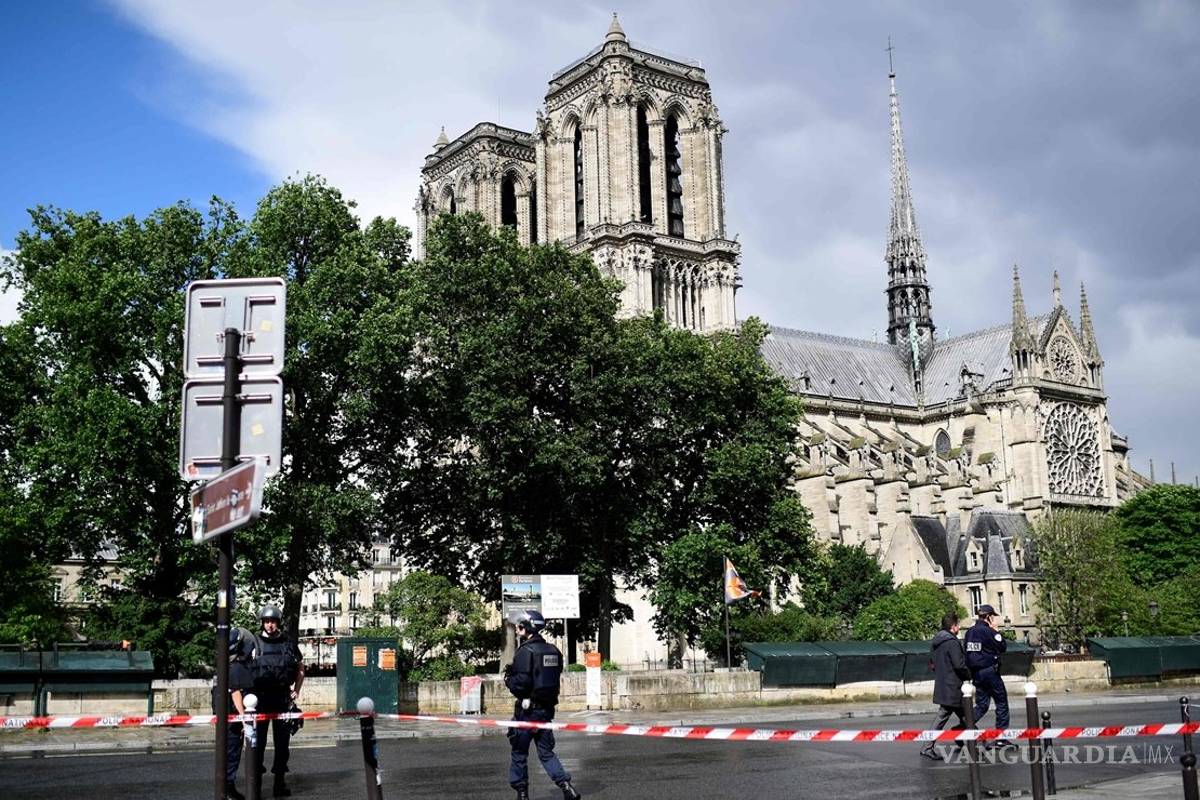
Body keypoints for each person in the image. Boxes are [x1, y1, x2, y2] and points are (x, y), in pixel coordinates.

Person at [503, 610, 581, 800]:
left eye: (520, 625)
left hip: (527, 712)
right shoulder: (553, 650)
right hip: (546, 710)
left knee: (519, 753)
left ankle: (522, 794)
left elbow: (521, 684)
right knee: (546, 753)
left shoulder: (525, 651)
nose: (518, 628)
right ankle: (566, 786)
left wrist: (508, 678)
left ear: (527, 628)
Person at [249, 605, 305, 797]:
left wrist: (296, 691)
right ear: (262, 622)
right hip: (260, 699)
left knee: (282, 745)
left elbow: (300, 668)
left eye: (273, 621)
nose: (270, 625)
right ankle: (254, 785)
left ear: (278, 623)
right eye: (266, 621)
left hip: (281, 698)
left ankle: (279, 784)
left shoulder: (287, 643)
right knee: (258, 743)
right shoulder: (253, 643)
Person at [964, 603, 1016, 749]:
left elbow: (966, 654)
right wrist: (996, 631)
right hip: (989, 671)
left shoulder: (969, 632)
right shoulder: (988, 631)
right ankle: (1001, 738)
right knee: (1001, 702)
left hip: (976, 673)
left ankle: (964, 727)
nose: (994, 619)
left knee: (982, 705)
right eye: (992, 616)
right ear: (988, 617)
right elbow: (1002, 647)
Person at [920, 612, 970, 761]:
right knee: (945, 716)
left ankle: (975, 740)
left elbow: (932, 663)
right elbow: (959, 665)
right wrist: (969, 674)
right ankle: (927, 746)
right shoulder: (952, 642)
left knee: (966, 716)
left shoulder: (936, 642)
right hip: (953, 685)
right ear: (953, 627)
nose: (959, 627)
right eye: (957, 625)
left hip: (943, 683)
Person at [216, 627, 256, 800]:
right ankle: (228, 789)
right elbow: (236, 693)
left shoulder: (226, 664)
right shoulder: (237, 667)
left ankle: (226, 788)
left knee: (228, 752)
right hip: (233, 719)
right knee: (232, 753)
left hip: (225, 717)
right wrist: (243, 720)